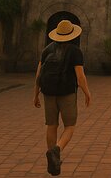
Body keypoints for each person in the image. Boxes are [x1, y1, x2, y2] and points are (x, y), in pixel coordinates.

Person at [33, 20, 92, 176]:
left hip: (48, 93)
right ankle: (56, 150)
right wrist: (87, 92)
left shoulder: (46, 50)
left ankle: (53, 162)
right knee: (70, 126)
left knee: (51, 125)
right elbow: (80, 77)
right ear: (72, 34)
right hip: (66, 93)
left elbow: (38, 75)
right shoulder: (75, 51)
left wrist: (35, 95)